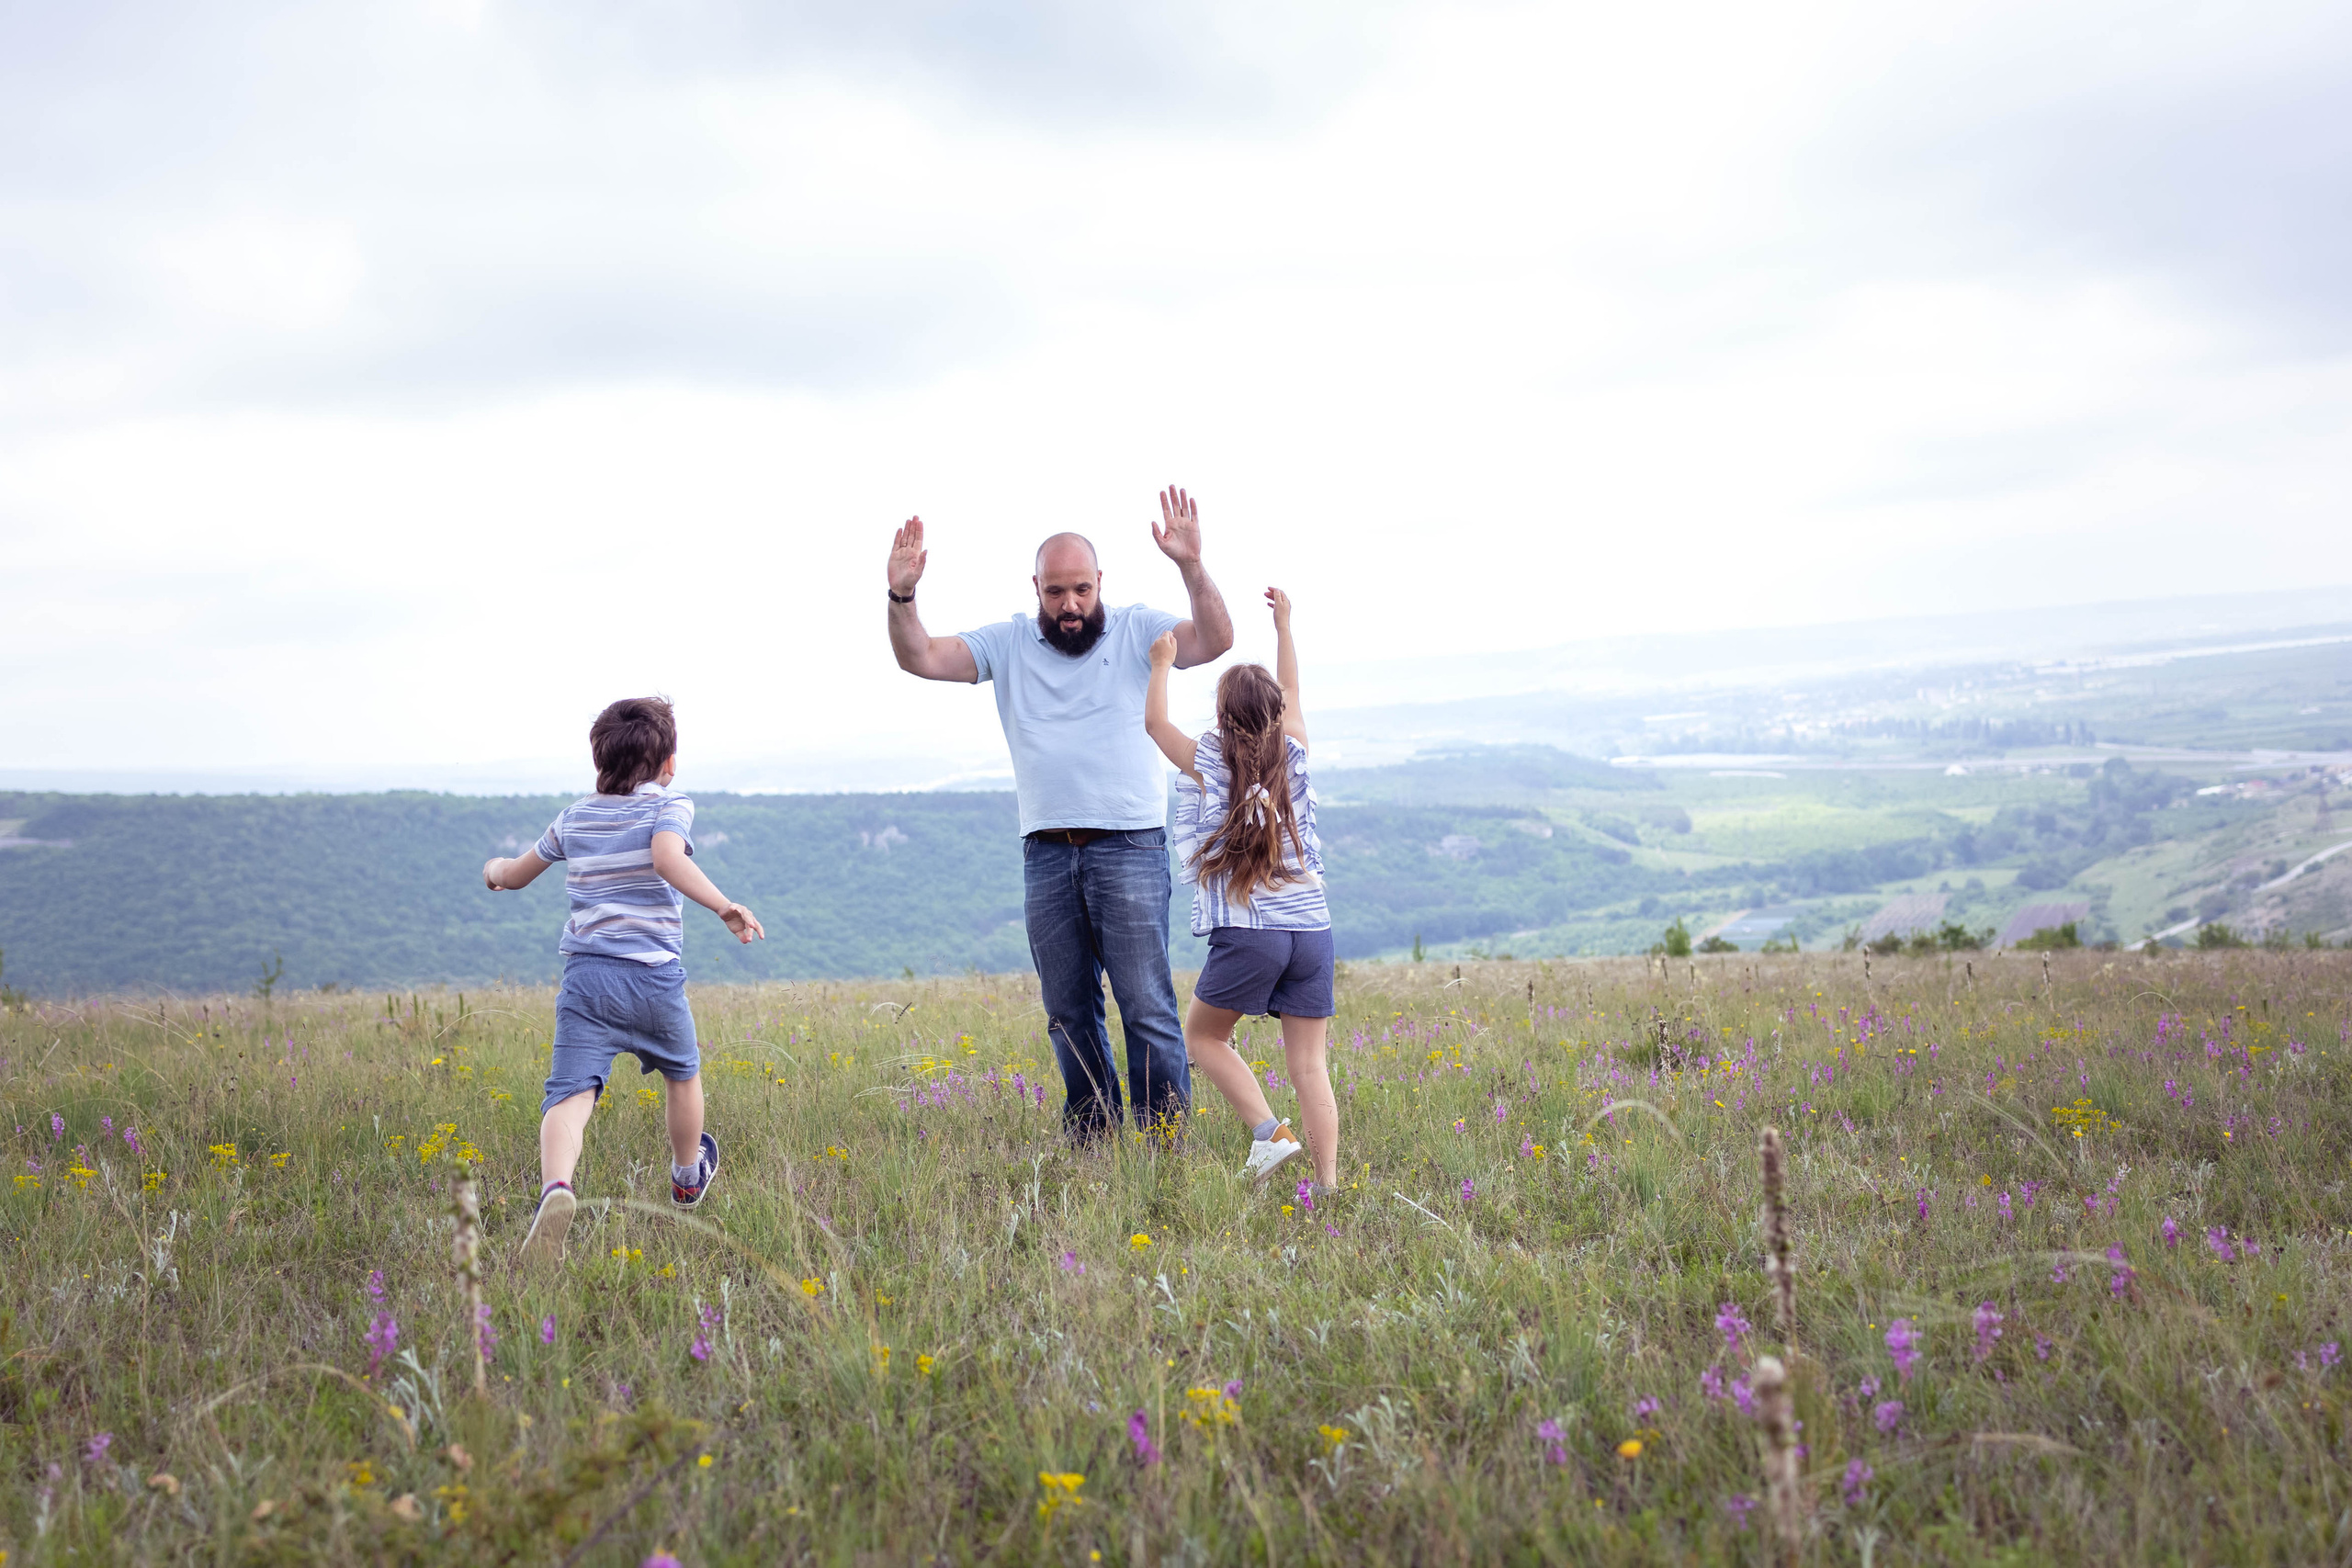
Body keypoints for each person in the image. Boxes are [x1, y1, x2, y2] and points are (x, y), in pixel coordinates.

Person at [887, 489, 1234, 1142]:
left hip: (1130, 847)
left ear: (1100, 582)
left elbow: (1215, 639)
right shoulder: (1011, 641)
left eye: (1080, 589)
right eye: (1055, 592)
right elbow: (921, 656)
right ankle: (1093, 1136)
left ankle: (1163, 1142)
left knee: (1146, 1006)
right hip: (1045, 853)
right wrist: (902, 596)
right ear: (1036, 589)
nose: (1069, 605)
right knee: (1067, 1010)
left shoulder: (1136, 628)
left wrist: (1190, 565)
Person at [483, 696, 765, 1266]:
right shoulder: (670, 806)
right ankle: (687, 1177)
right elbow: (666, 859)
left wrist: (493, 872)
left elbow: (514, 875)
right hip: (655, 977)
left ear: (599, 760)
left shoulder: (574, 816)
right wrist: (721, 905)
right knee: (683, 1075)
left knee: (569, 1094)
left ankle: (557, 1189)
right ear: (668, 763)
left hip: (588, 979)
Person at [1145, 587, 1339, 1191]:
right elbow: (1295, 692)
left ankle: (1270, 1134)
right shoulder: (1297, 753)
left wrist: (1159, 665)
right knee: (1310, 1065)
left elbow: (1155, 723)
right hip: (1313, 928)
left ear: (1223, 719)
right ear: (1277, 714)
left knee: (1204, 1035)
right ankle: (1328, 1185)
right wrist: (1284, 626)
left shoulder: (1211, 759)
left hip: (1251, 930)